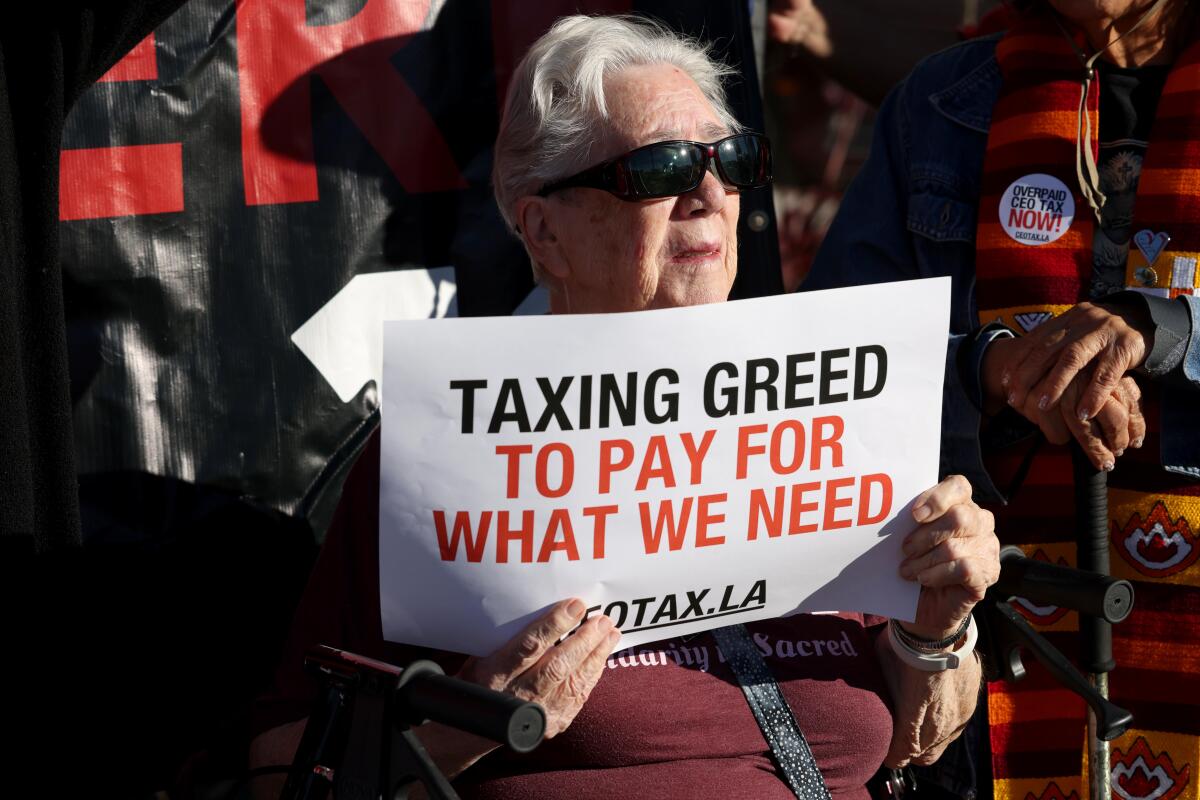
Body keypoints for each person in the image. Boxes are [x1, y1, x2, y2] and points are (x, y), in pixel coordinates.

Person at [250, 15, 1001, 798]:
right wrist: (463, 728)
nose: (708, 194)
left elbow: (920, 739)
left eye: (731, 160)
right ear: (545, 232)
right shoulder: (445, 448)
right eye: (661, 167)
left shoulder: (822, 414)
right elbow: (283, 770)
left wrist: (934, 627)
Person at [805, 1, 1200, 798]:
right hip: (991, 630)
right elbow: (837, 373)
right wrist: (993, 372)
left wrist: (1161, 327)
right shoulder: (940, 103)